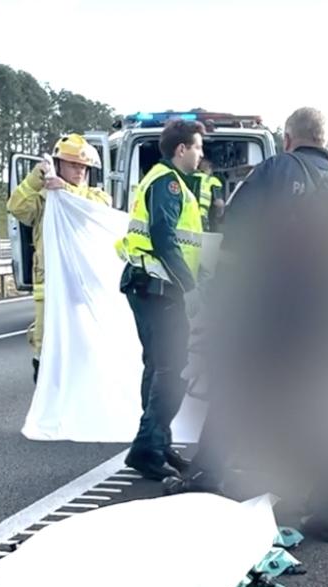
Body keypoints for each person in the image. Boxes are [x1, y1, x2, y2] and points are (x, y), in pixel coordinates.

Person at [192, 107, 328, 543]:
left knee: (235, 391)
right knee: (323, 409)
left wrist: (221, 297)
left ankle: (206, 477)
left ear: (288, 138)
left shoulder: (274, 171)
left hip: (270, 310)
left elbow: (236, 236)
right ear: (324, 139)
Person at [115, 118, 206, 482]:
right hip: (158, 286)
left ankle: (158, 441)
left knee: (159, 368)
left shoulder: (165, 181)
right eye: (198, 147)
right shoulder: (169, 183)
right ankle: (148, 448)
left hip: (150, 285)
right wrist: (191, 287)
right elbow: (164, 237)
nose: (201, 154)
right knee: (173, 369)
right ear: (181, 149)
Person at [7, 133, 112, 383]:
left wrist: (64, 189)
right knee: (45, 349)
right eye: (74, 165)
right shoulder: (43, 199)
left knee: (85, 345)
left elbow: (101, 208)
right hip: (50, 282)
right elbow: (17, 206)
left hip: (83, 284)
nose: (79, 171)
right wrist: (36, 179)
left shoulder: (96, 197)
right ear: (59, 164)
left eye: (83, 167)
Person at [193, 153, 225, 231]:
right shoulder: (212, 181)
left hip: (187, 217)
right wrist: (219, 216)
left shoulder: (188, 176)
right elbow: (219, 203)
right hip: (202, 217)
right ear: (209, 166)